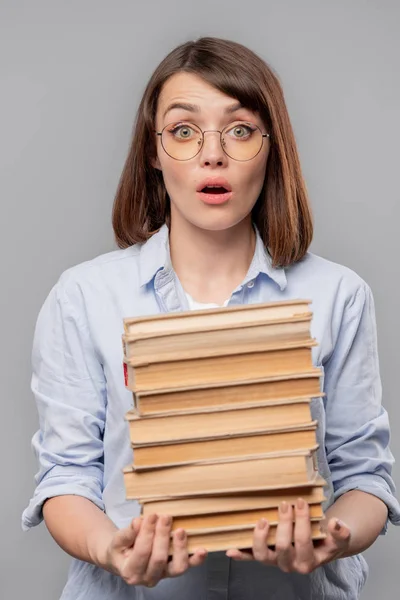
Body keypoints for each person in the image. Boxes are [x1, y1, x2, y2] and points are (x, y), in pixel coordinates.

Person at [22, 37, 399, 600]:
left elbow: (366, 476)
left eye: (241, 130)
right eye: (183, 130)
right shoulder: (84, 297)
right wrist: (110, 549)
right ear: (152, 152)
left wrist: (333, 537)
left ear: (272, 148)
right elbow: (66, 477)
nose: (213, 154)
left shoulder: (338, 296)